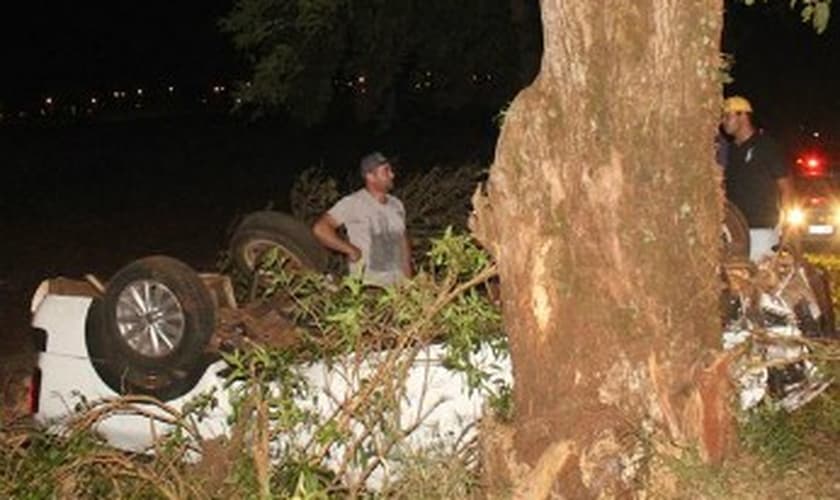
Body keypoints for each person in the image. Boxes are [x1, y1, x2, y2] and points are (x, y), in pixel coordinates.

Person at [312, 152, 412, 286]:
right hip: (369, 286)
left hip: (397, 287)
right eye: (386, 171)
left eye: (391, 170)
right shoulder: (353, 203)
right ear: (370, 176)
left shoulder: (397, 204)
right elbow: (320, 229)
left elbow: (402, 239)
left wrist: (408, 278)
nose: (392, 175)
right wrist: (350, 250)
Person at [721, 96, 795, 260]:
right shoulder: (730, 150)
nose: (723, 121)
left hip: (761, 229)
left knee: (760, 280)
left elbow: (785, 185)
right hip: (733, 230)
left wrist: (787, 224)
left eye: (728, 116)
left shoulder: (765, 146)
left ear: (743, 116)